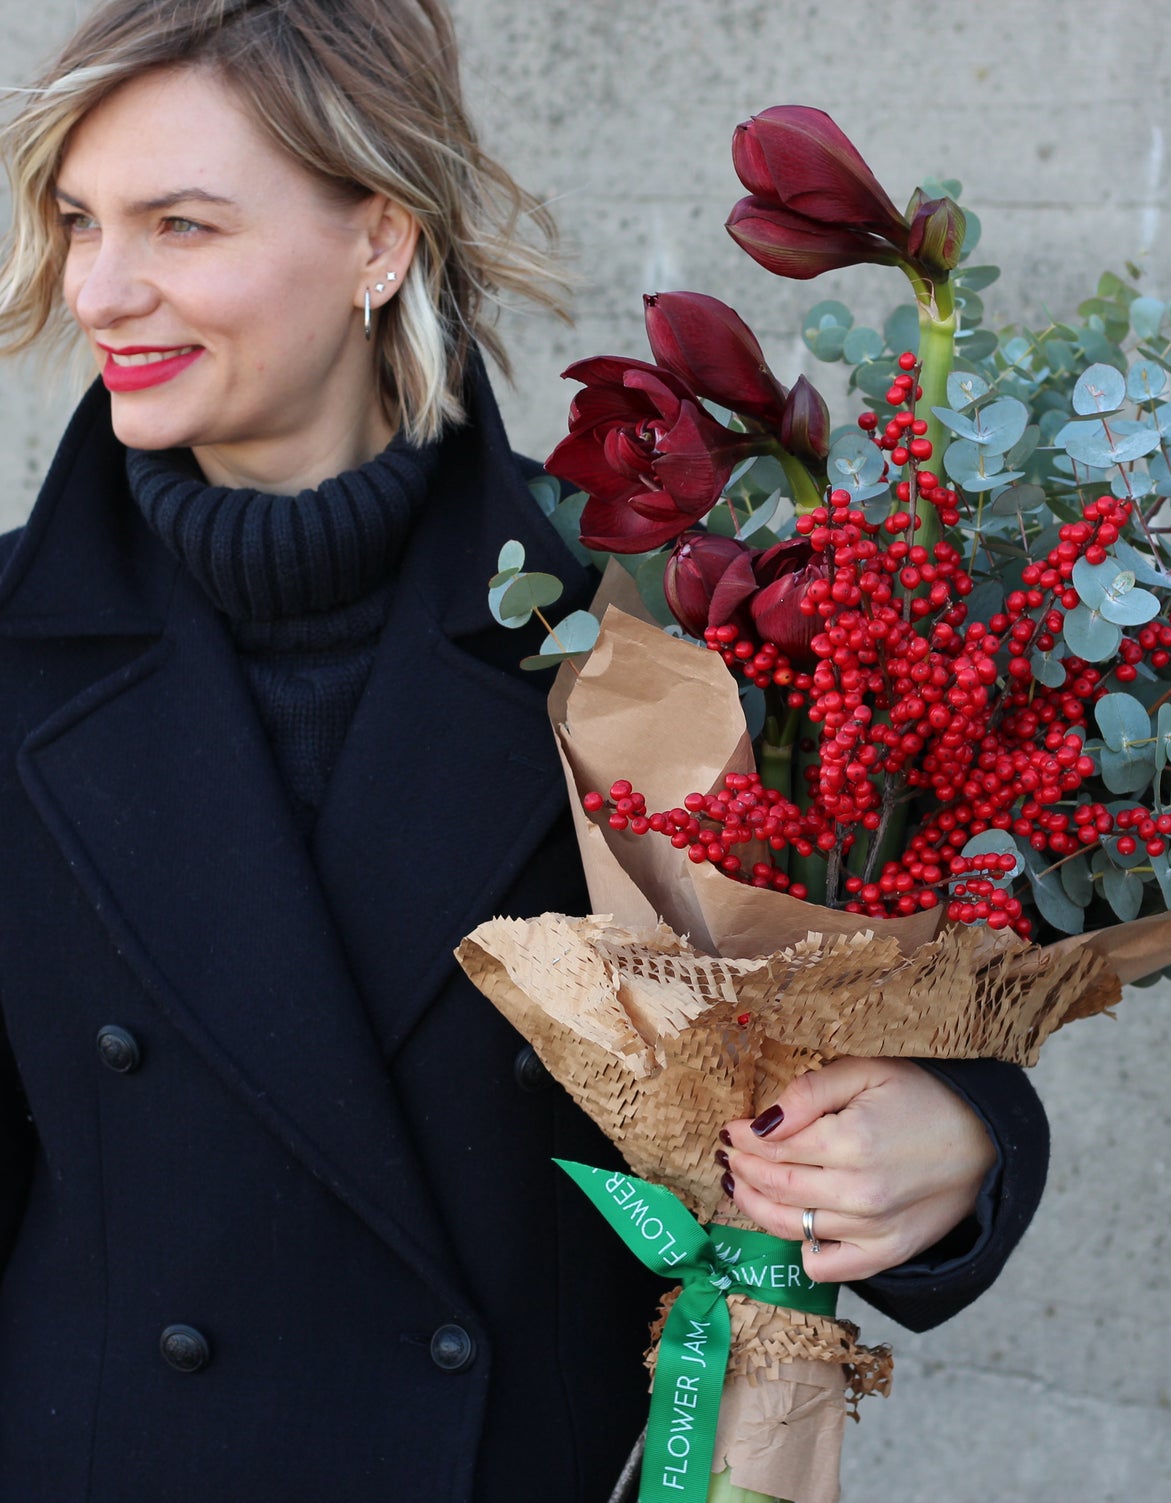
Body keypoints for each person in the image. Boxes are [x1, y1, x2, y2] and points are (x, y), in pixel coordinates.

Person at [0, 2, 1050, 1498]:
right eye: (77, 220)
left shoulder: (654, 616)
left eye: (179, 223)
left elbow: (861, 977)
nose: (100, 289)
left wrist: (955, 1140)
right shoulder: (11, 650)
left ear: (380, 240)